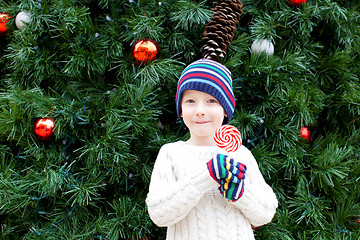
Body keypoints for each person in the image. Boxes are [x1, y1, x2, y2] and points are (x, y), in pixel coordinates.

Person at [146, 59, 278, 240]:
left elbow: (266, 213)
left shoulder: (239, 154)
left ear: (225, 109)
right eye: (191, 101)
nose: (200, 110)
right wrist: (206, 176)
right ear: (181, 109)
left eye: (211, 101)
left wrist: (241, 193)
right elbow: (158, 214)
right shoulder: (171, 154)